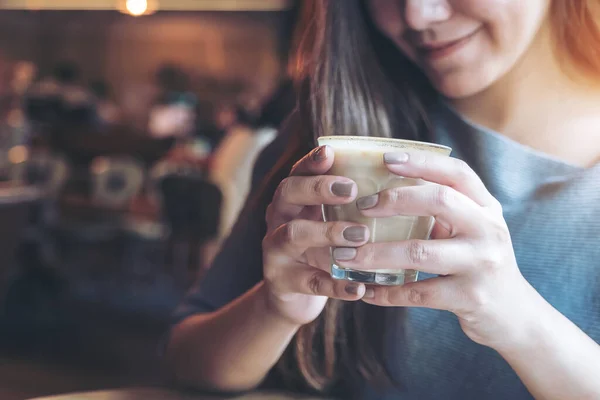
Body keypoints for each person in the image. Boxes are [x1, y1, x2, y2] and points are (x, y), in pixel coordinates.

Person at [167, 1, 600, 399]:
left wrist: (518, 320)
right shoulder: (337, 128)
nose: (417, 15)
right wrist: (274, 307)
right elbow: (189, 362)